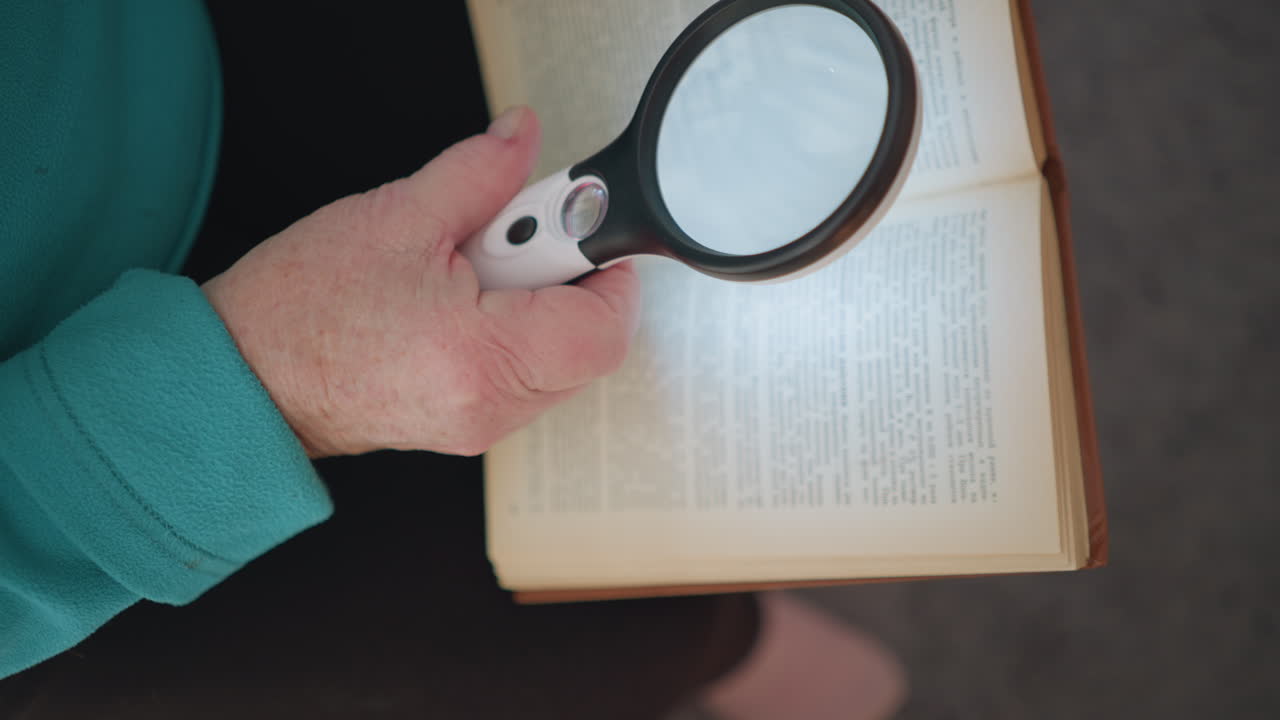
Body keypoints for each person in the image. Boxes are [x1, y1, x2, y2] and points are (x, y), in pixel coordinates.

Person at [0, 2, 905, 717]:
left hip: (163, 46)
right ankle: (726, 642)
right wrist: (273, 386)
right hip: (80, 517)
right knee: (566, 638)